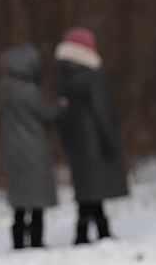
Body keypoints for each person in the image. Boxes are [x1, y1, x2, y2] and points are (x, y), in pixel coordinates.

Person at [54, 27, 128, 244]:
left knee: (87, 187)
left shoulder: (63, 74)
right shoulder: (89, 76)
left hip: (75, 139)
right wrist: (110, 139)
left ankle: (88, 231)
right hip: (93, 137)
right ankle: (92, 232)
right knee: (93, 186)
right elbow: (101, 109)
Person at [0, 44, 64, 250]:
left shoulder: (3, 87)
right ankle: (35, 239)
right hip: (33, 147)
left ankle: (18, 239)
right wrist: (60, 105)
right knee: (36, 197)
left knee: (19, 197)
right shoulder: (28, 90)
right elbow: (45, 113)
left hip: (11, 147)